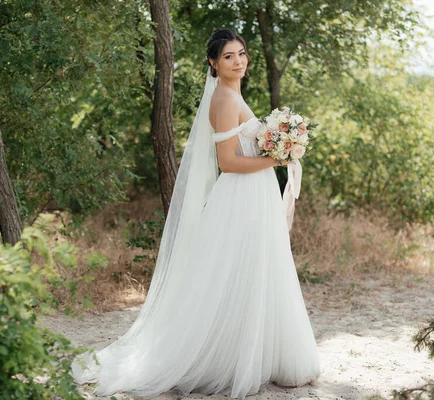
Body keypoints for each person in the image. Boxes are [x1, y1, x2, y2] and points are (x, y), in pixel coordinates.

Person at [72, 28, 320, 399]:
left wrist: (278, 151)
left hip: (255, 194)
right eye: (228, 57)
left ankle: (257, 355)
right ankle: (226, 359)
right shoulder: (222, 99)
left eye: (241, 54)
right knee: (235, 271)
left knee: (258, 269)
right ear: (213, 64)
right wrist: (276, 158)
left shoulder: (233, 92)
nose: (238, 61)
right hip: (241, 197)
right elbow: (228, 162)